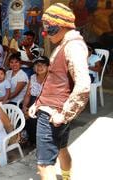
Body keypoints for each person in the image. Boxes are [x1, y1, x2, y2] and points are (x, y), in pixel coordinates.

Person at [29, 3, 90, 180]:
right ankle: (66, 177)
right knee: (62, 148)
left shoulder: (73, 46)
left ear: (61, 25)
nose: (45, 33)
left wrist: (65, 114)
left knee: (44, 164)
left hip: (53, 114)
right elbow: (56, 80)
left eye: (48, 27)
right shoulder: (67, 43)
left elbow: (83, 84)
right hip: (53, 110)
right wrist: (38, 103)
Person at [22, 56, 49, 146]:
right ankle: (32, 140)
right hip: (33, 101)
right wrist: (24, 107)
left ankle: (41, 142)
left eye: (42, 65)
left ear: (48, 67)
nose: (39, 67)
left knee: (37, 117)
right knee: (26, 115)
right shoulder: (33, 77)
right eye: (37, 65)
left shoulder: (50, 78)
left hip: (46, 103)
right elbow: (28, 95)